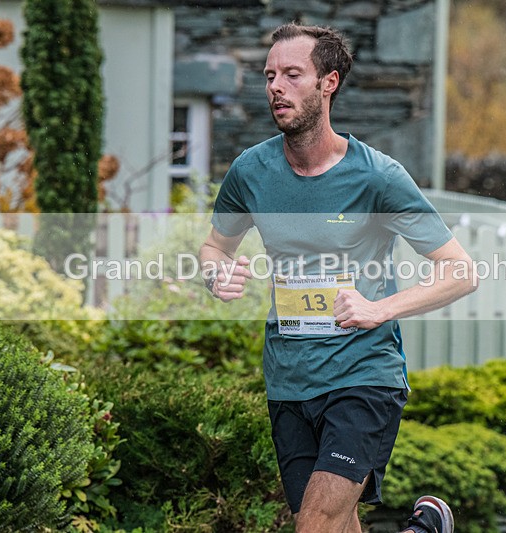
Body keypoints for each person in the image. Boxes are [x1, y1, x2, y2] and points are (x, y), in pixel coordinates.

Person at [199, 22, 476, 533]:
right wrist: (218, 276)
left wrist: (380, 308)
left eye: (292, 74)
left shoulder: (378, 177)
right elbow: (216, 246)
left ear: (329, 82)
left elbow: (461, 272)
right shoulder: (250, 172)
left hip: (362, 377)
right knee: (332, 522)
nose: (275, 87)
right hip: (288, 380)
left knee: (316, 524)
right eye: (269, 76)